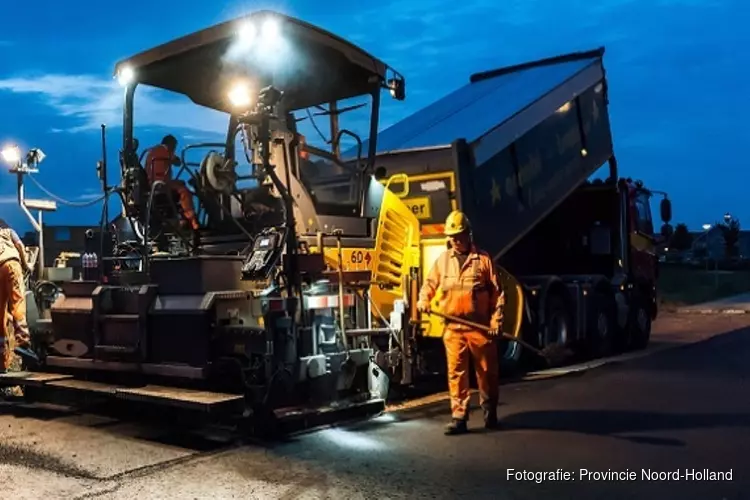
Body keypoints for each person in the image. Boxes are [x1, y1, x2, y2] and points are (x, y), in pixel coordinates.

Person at [417, 210, 504, 435]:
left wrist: (496, 321)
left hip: (480, 328)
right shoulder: (442, 262)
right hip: (453, 329)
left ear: (468, 234)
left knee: (487, 372)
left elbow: (498, 296)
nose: (455, 240)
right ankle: (459, 417)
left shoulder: (483, 261)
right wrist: (423, 299)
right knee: (456, 374)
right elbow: (429, 284)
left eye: (458, 235)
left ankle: (489, 410)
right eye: (451, 236)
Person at [0, 218, 38, 373]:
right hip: (11, 265)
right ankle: (22, 343)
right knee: (17, 302)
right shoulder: (8, 231)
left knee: (0, 315)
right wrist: (26, 264)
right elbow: (20, 245)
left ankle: (1, 363)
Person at [144, 134, 199, 230]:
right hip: (161, 184)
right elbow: (177, 162)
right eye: (174, 147)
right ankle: (192, 220)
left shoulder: (152, 151)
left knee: (180, 183)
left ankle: (180, 217)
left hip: (152, 183)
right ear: (170, 144)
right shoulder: (165, 150)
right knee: (184, 191)